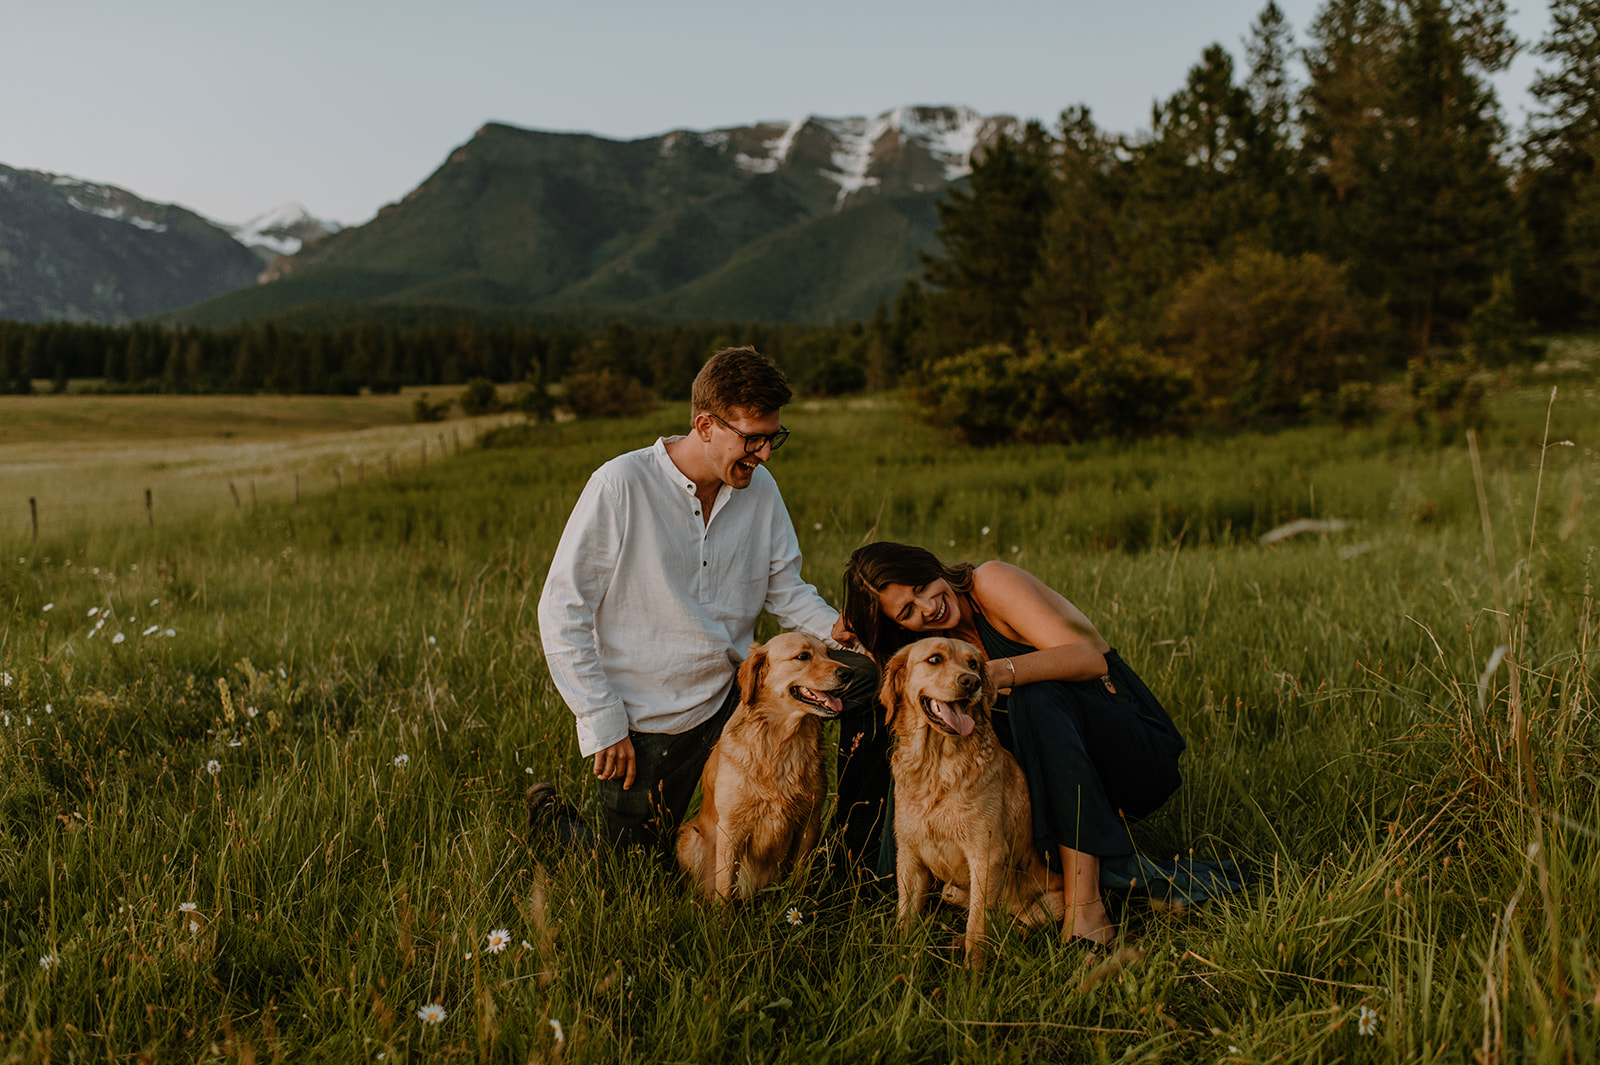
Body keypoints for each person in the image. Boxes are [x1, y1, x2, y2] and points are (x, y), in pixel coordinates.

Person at [535, 347, 888, 867]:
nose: (765, 454)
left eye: (774, 438)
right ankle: (553, 822)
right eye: (753, 439)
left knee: (871, 683)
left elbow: (784, 589)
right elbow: (562, 610)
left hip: (734, 700)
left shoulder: (759, 489)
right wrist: (602, 721)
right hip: (648, 720)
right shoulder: (620, 485)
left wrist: (856, 638)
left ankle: (852, 848)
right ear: (705, 425)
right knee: (634, 874)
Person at [835, 541, 1187, 946]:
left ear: (930, 566)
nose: (928, 607)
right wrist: (861, 636)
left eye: (920, 586)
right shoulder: (945, 650)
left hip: (1129, 743)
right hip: (1066, 771)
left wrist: (995, 672)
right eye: (908, 612)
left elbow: (1092, 658)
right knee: (924, 728)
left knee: (1036, 700)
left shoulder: (990, 583)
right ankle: (901, 882)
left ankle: (1087, 908)